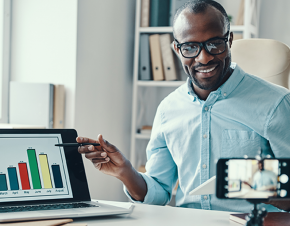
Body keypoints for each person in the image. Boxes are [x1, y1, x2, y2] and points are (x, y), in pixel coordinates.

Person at [77, 0, 290, 212]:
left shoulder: (276, 103)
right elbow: (159, 194)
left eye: (215, 44)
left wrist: (257, 182)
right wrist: (124, 172)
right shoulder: (168, 110)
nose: (204, 58)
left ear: (230, 40)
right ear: (177, 50)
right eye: (190, 47)